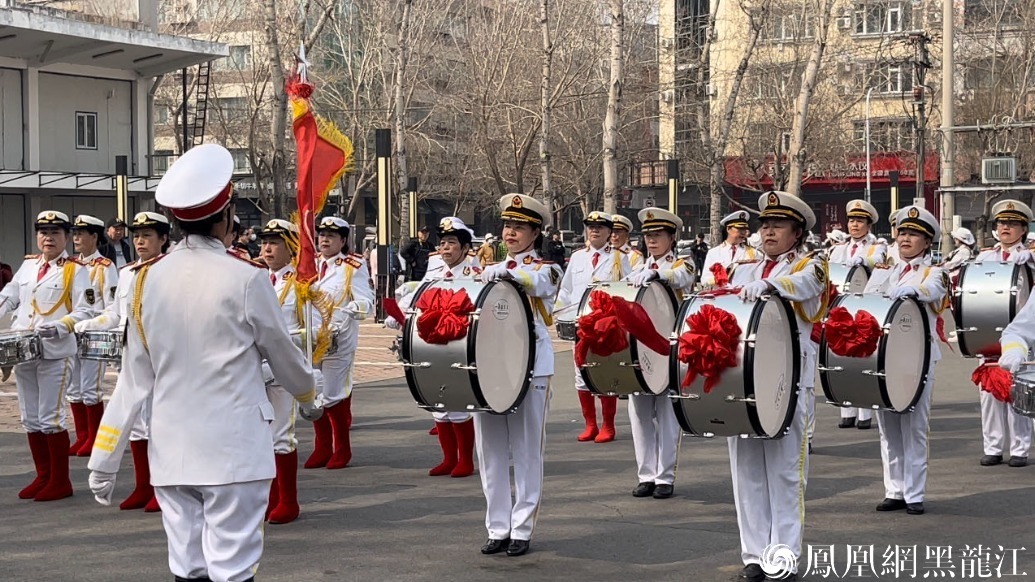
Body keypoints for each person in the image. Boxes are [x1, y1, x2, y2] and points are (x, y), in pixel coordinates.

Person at [87, 144, 322, 582]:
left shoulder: (145, 281)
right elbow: (283, 355)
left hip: (173, 448)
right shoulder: (247, 277)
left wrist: (104, 456)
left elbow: (134, 378)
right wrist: (309, 395)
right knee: (232, 568)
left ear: (174, 222)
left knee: (187, 567)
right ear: (227, 216)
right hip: (234, 448)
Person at [726, 191, 826, 582]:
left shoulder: (811, 266)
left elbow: (803, 285)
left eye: (777, 225)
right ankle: (754, 554)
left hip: (787, 382)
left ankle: (783, 557)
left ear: (797, 232)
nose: (767, 231)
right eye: (764, 224)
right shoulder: (743, 269)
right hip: (744, 379)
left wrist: (773, 286)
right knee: (746, 470)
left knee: (786, 474)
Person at [477, 194, 561, 557]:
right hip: (493, 365)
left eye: (519, 227)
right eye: (507, 225)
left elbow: (539, 284)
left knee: (527, 451)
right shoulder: (488, 268)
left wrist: (510, 273)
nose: (510, 232)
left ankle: (522, 528)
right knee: (490, 451)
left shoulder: (547, 267)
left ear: (535, 232)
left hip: (532, 366)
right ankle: (497, 526)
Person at [75, 211, 170, 512]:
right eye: (137, 236)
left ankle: (162, 488)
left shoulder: (172, 271)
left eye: (148, 236)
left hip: (164, 360)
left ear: (164, 239)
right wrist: (91, 324)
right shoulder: (128, 272)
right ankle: (143, 486)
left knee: (160, 425)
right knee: (138, 426)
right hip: (132, 359)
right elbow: (117, 313)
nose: (140, 242)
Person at [0, 211, 93, 502]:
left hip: (55, 351)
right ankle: (42, 476)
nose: (48, 238)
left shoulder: (75, 270)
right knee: (30, 417)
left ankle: (60, 481)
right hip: (24, 349)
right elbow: (9, 296)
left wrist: (61, 325)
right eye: (43, 232)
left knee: (51, 417)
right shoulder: (27, 267)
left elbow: (85, 310)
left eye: (55, 232)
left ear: (66, 237)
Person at [862, 205, 947, 515]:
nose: (905, 239)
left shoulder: (934, 272)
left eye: (913, 234)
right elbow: (868, 302)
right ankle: (894, 489)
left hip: (919, 358)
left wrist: (912, 289)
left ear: (926, 242)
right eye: (902, 233)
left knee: (914, 426)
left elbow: (931, 290)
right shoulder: (884, 269)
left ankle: (914, 493)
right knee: (888, 425)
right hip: (885, 357)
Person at [386, 217, 480, 478]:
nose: (446, 248)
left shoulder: (476, 275)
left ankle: (465, 460)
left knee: (459, 403)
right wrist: (398, 315)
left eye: (452, 243)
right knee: (437, 402)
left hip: (458, 345)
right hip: (430, 344)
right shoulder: (435, 271)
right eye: (443, 243)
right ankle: (448, 458)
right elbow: (417, 298)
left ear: (464, 248)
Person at [624, 207, 696, 500]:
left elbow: (680, 278)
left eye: (658, 235)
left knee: (667, 415)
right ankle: (646, 474)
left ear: (672, 237)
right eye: (648, 235)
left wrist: (658, 273)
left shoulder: (683, 262)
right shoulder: (636, 266)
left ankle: (665, 475)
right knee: (639, 413)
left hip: (667, 345)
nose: (652, 240)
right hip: (640, 347)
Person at [258, 218, 317, 523]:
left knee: (281, 435)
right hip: (254, 368)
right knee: (258, 437)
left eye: (274, 243)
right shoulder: (256, 279)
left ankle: (288, 501)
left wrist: (288, 343)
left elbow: (315, 331)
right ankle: (267, 498)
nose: (266, 248)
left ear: (291, 247)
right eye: (264, 242)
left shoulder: (301, 284)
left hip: (282, 366)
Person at [556, 211, 631, 444]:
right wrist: (561, 313)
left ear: (610, 232)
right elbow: (566, 289)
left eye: (600, 227)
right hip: (580, 324)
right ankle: (590, 424)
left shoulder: (619, 257)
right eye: (591, 227)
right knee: (581, 373)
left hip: (605, 325)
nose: (594, 231)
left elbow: (626, 290)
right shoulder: (578, 257)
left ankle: (608, 425)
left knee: (605, 373)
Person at [307, 216, 374, 470]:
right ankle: (322, 446)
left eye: (331, 236)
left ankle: (342, 449)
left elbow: (365, 300)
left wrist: (353, 309)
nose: (324, 239)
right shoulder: (309, 264)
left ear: (343, 240)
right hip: (311, 338)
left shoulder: (352, 266)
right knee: (313, 389)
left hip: (339, 338)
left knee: (333, 393)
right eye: (322, 235)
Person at [973, 200, 1034, 468]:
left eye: (1012, 224)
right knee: (989, 393)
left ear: (1023, 229)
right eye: (1001, 223)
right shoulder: (984, 257)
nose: (1005, 228)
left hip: (1023, 332)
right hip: (988, 330)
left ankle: (1020, 448)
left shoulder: (1030, 258)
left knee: (1018, 391)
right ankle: (993, 446)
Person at [64, 214, 121, 456]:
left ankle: (95, 437)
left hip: (93, 332)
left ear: (95, 237)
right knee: (73, 388)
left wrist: (96, 324)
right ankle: (82, 435)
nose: (76, 238)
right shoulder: (70, 266)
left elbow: (112, 304)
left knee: (90, 388)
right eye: (74, 233)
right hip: (70, 331)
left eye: (81, 233)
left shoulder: (105, 267)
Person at [827, 200, 886, 430]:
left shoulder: (876, 246)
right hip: (842, 309)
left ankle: (864, 413)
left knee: (863, 359)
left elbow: (879, 259)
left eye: (860, 221)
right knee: (840, 358)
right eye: (852, 220)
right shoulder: (837, 248)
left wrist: (864, 260)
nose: (854, 225)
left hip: (864, 310)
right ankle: (847, 410)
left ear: (868, 225)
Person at [702, 210, 757, 287]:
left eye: (744, 229)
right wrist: (717, 279)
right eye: (739, 229)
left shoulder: (753, 253)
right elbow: (704, 280)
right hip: (721, 296)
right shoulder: (714, 253)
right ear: (728, 229)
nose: (743, 232)